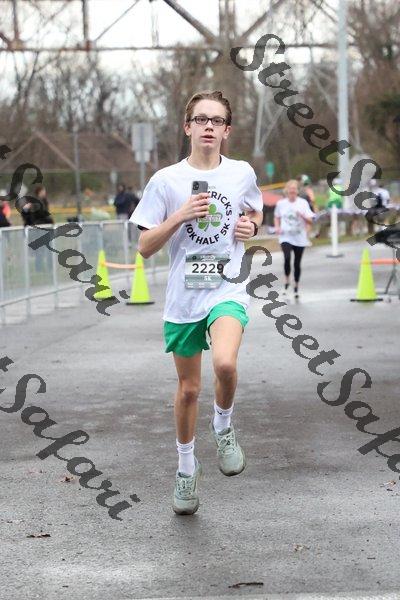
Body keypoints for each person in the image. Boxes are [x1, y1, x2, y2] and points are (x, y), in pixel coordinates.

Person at [129, 90, 263, 515]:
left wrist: (251, 226)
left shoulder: (241, 173)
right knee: (189, 389)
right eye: (201, 119)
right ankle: (186, 468)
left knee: (225, 364)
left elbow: (254, 212)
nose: (209, 126)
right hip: (184, 297)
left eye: (216, 120)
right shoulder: (165, 181)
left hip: (226, 287)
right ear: (187, 127)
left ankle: (223, 426)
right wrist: (180, 215)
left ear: (227, 131)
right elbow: (144, 246)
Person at [274, 179, 314, 299]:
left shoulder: (303, 203)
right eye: (290, 189)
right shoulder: (281, 204)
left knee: (297, 262)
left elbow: (310, 221)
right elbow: (277, 217)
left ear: (297, 191)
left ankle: (296, 286)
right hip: (285, 236)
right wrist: (277, 227)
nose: (292, 191)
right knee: (287, 258)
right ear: (286, 191)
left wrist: (302, 215)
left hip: (299, 237)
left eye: (294, 189)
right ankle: (286, 282)